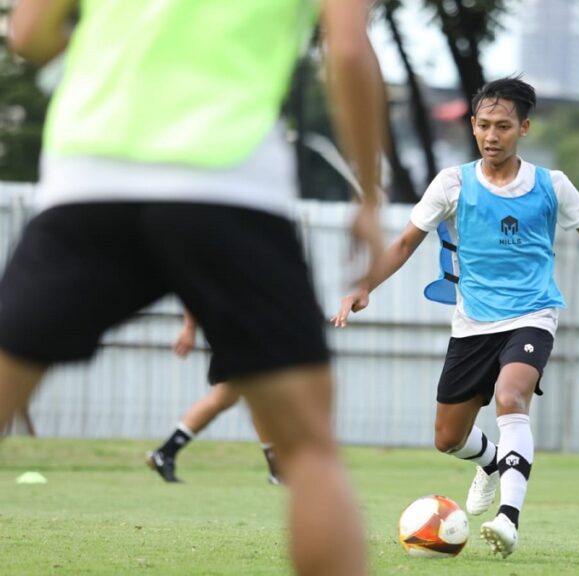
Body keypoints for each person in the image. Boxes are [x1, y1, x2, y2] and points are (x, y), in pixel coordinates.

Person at [0, 2, 387, 575]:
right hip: (226, 181)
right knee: (308, 452)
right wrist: (370, 198)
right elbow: (349, 49)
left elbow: (28, 33)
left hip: (89, 172)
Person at [333, 77, 579, 559]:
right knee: (447, 438)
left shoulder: (552, 185)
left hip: (533, 313)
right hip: (472, 324)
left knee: (512, 397)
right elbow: (406, 241)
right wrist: (364, 286)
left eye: (503, 126)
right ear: (472, 126)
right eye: (484, 125)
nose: (492, 135)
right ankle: (491, 462)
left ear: (523, 128)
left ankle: (507, 518)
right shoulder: (451, 183)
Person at [147, 312, 281, 485]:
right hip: (236, 329)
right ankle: (278, 469)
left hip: (245, 327)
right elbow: (193, 285)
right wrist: (189, 327)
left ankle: (166, 453)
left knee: (226, 396)